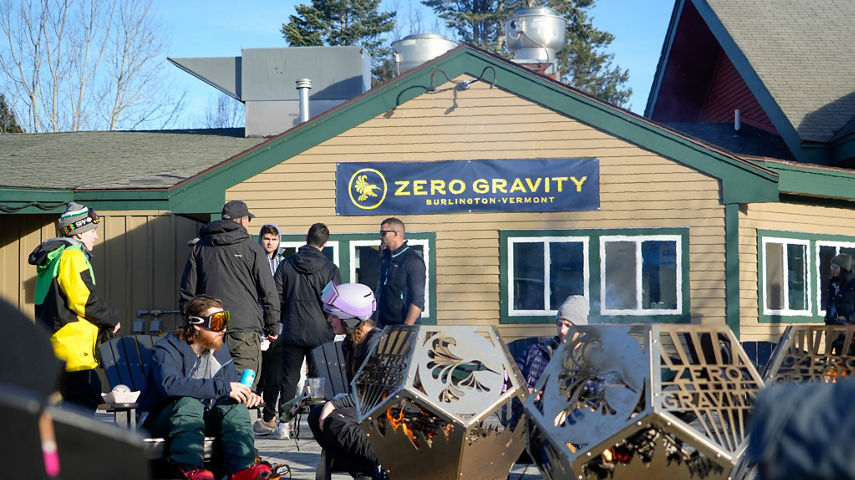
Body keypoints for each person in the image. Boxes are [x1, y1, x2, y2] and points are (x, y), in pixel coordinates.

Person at [137, 295, 272, 480]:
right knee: (187, 402)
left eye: (226, 320)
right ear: (197, 324)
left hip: (199, 421)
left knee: (234, 406)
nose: (224, 328)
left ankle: (243, 469)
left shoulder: (220, 351)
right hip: (162, 421)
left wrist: (247, 394)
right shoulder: (167, 348)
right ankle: (189, 468)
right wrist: (223, 387)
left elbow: (229, 388)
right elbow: (170, 384)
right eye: (217, 322)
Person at [28, 202, 121, 413]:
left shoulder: (54, 258)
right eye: (92, 231)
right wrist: (111, 318)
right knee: (84, 398)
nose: (96, 237)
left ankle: (63, 444)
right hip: (73, 348)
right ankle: (69, 446)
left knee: (78, 399)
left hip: (58, 345)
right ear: (78, 234)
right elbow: (83, 300)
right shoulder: (72, 256)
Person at [180, 200, 280, 389]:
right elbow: (269, 292)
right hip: (244, 327)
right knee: (244, 387)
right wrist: (272, 326)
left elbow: (188, 292)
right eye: (248, 219)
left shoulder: (201, 248)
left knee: (209, 385)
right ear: (242, 220)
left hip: (211, 325)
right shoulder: (252, 249)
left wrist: (191, 325)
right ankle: (238, 418)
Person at [256, 223, 341, 439]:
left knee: (289, 380)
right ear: (325, 243)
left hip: (292, 330)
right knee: (318, 380)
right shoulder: (330, 269)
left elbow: (275, 298)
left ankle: (284, 424)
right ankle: (316, 422)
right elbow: (334, 304)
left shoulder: (286, 264)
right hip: (321, 333)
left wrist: (275, 324)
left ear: (306, 237)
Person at [307, 282, 384, 480]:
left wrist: (334, 403)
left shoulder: (374, 343)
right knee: (316, 416)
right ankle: (362, 472)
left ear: (350, 319)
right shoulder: (350, 343)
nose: (330, 319)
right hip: (363, 407)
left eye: (334, 316)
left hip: (380, 411)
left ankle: (386, 458)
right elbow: (355, 390)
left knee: (334, 421)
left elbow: (369, 394)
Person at [516, 295, 589, 394]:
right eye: (559, 324)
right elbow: (510, 382)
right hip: (530, 408)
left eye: (568, 326)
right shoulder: (536, 352)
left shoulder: (592, 357)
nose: (562, 331)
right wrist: (524, 393)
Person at [375, 217, 426, 328]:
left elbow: (417, 301)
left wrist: (405, 328)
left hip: (402, 326)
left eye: (383, 233)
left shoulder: (412, 261)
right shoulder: (386, 259)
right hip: (383, 326)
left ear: (396, 234)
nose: (380, 236)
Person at [823, 253, 855, 354]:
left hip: (850, 333)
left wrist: (848, 319)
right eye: (831, 266)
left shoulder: (852, 286)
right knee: (838, 360)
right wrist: (829, 320)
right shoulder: (833, 286)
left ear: (843, 267)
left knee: (848, 359)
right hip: (834, 331)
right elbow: (831, 307)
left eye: (835, 266)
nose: (833, 269)